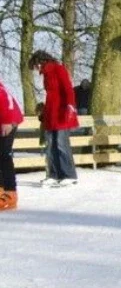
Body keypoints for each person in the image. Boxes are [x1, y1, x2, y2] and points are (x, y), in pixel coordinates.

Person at [28, 50, 79, 187]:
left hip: (61, 113)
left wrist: (70, 106)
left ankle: (68, 174)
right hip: (51, 113)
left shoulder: (58, 69)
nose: (36, 69)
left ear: (41, 61)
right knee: (50, 146)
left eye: (36, 65)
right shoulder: (46, 73)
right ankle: (53, 175)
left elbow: (68, 89)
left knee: (61, 145)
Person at [0, 79, 23, 211]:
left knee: (3, 154)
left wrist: (7, 121)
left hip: (9, 120)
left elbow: (6, 99)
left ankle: (10, 192)